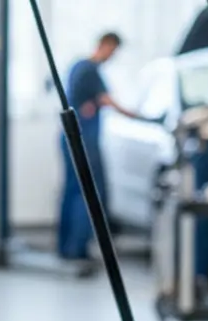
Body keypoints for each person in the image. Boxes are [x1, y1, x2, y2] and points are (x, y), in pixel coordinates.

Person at [56, 32, 141, 269]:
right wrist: (136, 116)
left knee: (72, 190)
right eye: (113, 51)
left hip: (70, 139)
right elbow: (106, 100)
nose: (112, 56)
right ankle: (78, 250)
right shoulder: (90, 69)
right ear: (106, 45)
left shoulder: (77, 67)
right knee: (89, 191)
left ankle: (66, 248)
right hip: (83, 140)